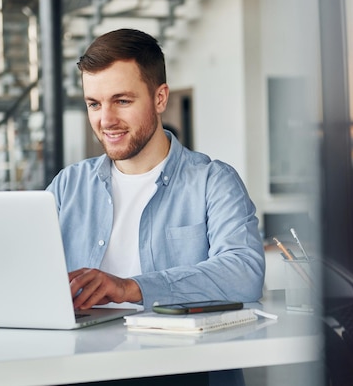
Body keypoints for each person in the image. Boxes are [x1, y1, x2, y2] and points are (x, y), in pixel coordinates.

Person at [46, 28, 264, 384]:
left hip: (185, 371)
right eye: (94, 104)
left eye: (122, 101)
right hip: (84, 369)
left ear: (160, 98)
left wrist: (131, 288)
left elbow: (243, 273)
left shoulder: (213, 181)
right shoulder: (68, 185)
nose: (105, 120)